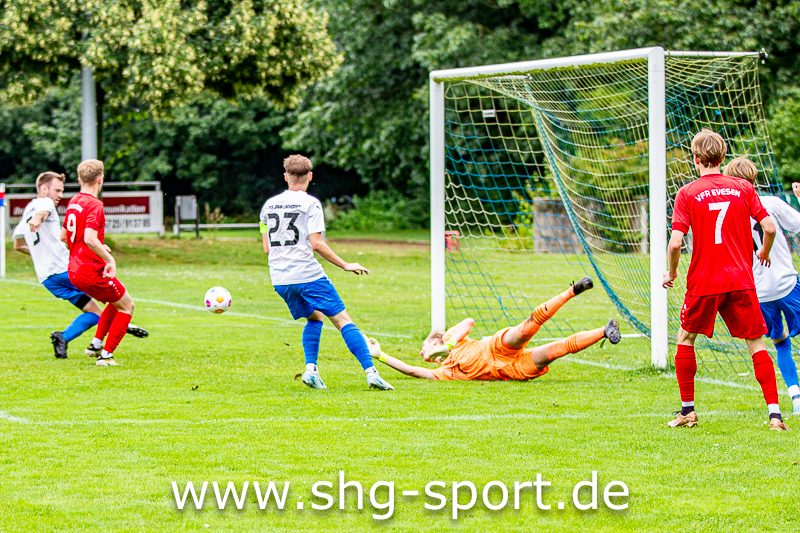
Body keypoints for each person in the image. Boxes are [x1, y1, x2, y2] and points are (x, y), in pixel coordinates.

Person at [662, 129, 789, 431]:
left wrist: (672, 272)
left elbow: (675, 243)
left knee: (686, 339)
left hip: (705, 280)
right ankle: (775, 415)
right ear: (723, 157)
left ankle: (688, 411)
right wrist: (763, 252)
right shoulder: (743, 187)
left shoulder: (687, 192)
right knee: (756, 342)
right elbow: (769, 227)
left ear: (696, 159)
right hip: (741, 279)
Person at [260, 155, 394, 390]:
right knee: (343, 321)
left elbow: (267, 248)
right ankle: (371, 373)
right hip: (308, 275)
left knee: (315, 317)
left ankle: (311, 370)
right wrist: (345, 264)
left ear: (286, 176)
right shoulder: (310, 204)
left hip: (280, 278)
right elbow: (316, 243)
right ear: (310, 176)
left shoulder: (268, 206)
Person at [367, 277, 621, 381]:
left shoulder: (449, 337)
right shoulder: (446, 372)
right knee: (557, 350)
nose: (421, 352)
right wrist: (380, 356)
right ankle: (604, 331)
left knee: (527, 328)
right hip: (508, 370)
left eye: (423, 346)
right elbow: (412, 371)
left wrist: (447, 346)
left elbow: (469, 322)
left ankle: (572, 291)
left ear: (434, 342)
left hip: (496, 347)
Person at [12, 171, 146, 359]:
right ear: (43, 189)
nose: (60, 195)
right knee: (118, 299)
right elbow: (44, 211)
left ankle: (64, 337)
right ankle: (122, 329)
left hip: (47, 278)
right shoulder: (45, 203)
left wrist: (42, 254)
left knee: (94, 312)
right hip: (66, 269)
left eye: (62, 191)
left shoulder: (27, 209)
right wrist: (39, 218)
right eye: (57, 190)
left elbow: (18, 245)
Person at [724, 156, 800, 416]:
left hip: (759, 292)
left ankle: (796, 397)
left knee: (780, 342)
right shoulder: (771, 203)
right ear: (754, 177)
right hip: (787, 284)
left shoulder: (729, 211)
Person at [62, 159, 137, 367]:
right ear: (100, 179)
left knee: (117, 300)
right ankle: (105, 356)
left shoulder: (74, 201)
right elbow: (89, 238)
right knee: (127, 307)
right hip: (90, 270)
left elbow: (64, 236)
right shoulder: (95, 204)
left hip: (74, 269)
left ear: (79, 180)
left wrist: (98, 248)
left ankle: (95, 346)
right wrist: (109, 259)